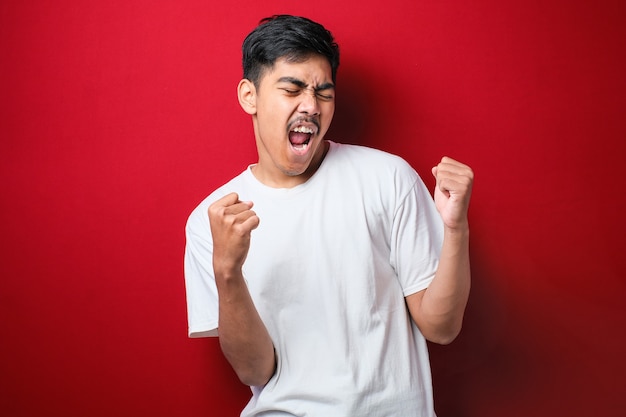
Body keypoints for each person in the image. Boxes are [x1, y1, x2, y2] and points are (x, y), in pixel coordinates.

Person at [184, 14, 473, 417]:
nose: (311, 106)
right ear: (249, 96)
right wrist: (227, 270)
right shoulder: (211, 221)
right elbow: (255, 369)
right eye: (293, 89)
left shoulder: (387, 178)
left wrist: (455, 228)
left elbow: (441, 328)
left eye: (323, 92)